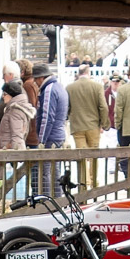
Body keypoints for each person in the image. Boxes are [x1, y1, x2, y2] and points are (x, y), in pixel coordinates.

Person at [66, 64, 107, 189]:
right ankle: (94, 182)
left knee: (82, 155)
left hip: (77, 126)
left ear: (78, 73)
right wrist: (104, 123)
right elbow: (103, 106)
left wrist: (68, 118)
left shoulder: (70, 88)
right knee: (94, 155)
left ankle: (84, 183)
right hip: (93, 125)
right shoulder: (97, 86)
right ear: (88, 72)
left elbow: (67, 107)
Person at [31, 62, 68, 198]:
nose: (35, 82)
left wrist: (41, 139)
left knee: (45, 172)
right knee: (55, 171)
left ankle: (47, 201)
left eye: (36, 79)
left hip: (50, 137)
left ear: (41, 78)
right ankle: (57, 200)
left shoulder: (49, 90)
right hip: (58, 134)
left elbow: (47, 117)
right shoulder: (60, 87)